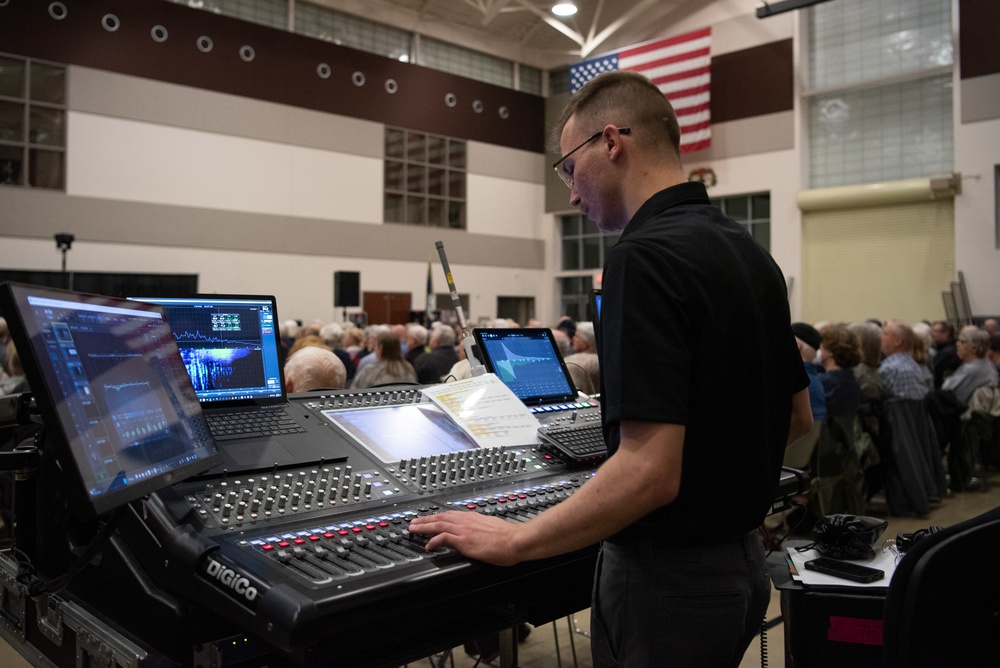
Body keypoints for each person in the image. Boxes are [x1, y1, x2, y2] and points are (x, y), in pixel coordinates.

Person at [410, 70, 812, 668]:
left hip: (668, 584)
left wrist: (517, 538)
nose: (572, 194)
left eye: (570, 169)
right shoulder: (750, 253)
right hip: (742, 566)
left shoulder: (643, 257)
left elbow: (649, 473)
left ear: (611, 142)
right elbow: (797, 417)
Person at [878, 320, 933, 400]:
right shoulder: (912, 364)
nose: (880, 337)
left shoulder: (890, 368)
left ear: (897, 341)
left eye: (885, 334)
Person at [942, 328, 998, 405]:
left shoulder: (973, 369)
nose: (957, 344)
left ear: (974, 348)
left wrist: (948, 380)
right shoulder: (983, 363)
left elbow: (948, 394)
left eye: (962, 342)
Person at [352, 330, 417, 389]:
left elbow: (356, 391)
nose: (374, 349)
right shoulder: (408, 368)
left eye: (375, 346)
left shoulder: (370, 370)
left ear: (380, 348)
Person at [564, 321, 600, 395]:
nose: (573, 338)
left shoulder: (577, 365)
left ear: (585, 343)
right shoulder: (602, 362)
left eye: (577, 336)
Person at [930, 320, 961, 388]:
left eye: (935, 331)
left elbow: (933, 370)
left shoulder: (947, 353)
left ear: (946, 333)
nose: (932, 334)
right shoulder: (940, 348)